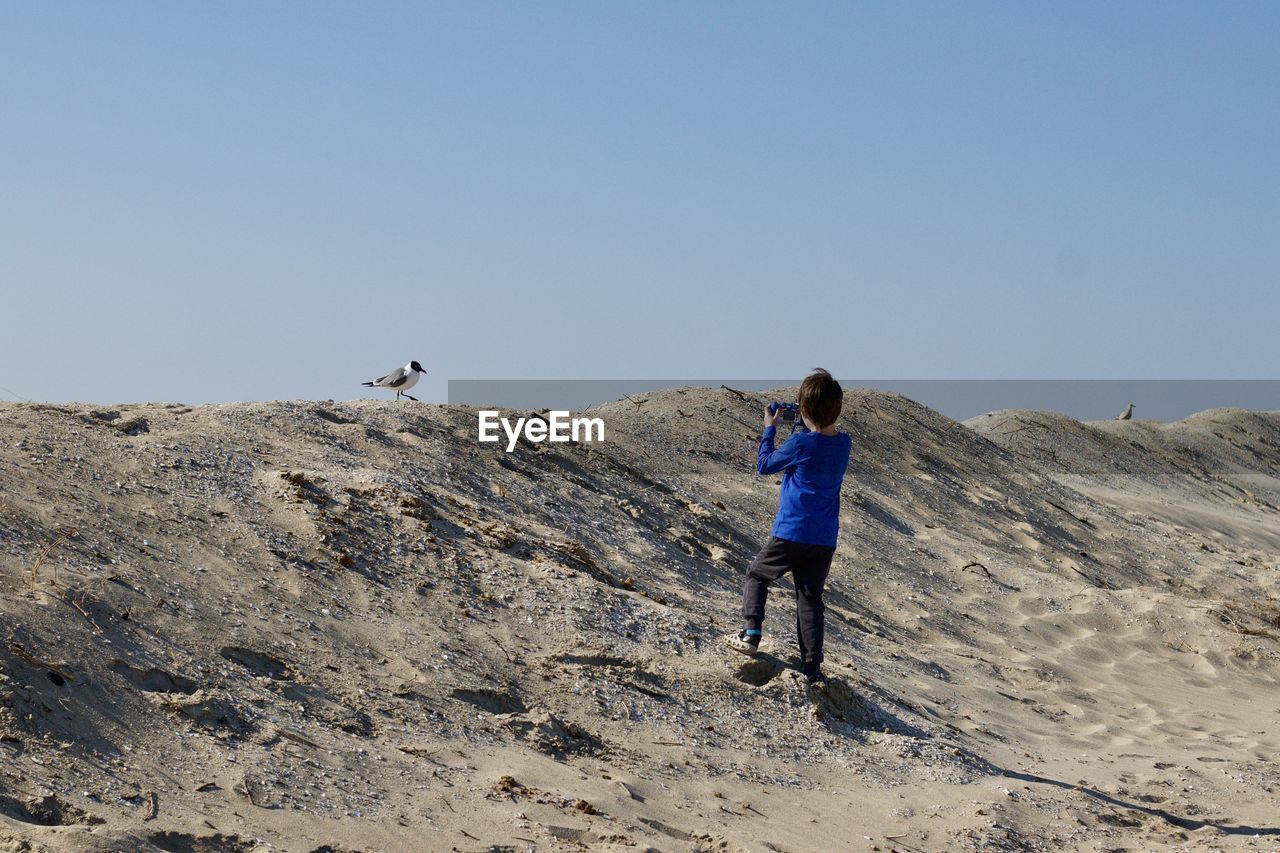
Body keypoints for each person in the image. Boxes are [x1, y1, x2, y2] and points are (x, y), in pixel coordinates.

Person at [727, 368, 852, 684]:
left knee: (757, 574)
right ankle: (812, 666)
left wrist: (770, 429)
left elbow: (765, 465)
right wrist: (806, 423)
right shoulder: (844, 444)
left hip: (792, 531)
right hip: (824, 538)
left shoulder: (800, 444)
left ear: (806, 411)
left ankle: (751, 632)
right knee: (809, 598)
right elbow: (820, 443)